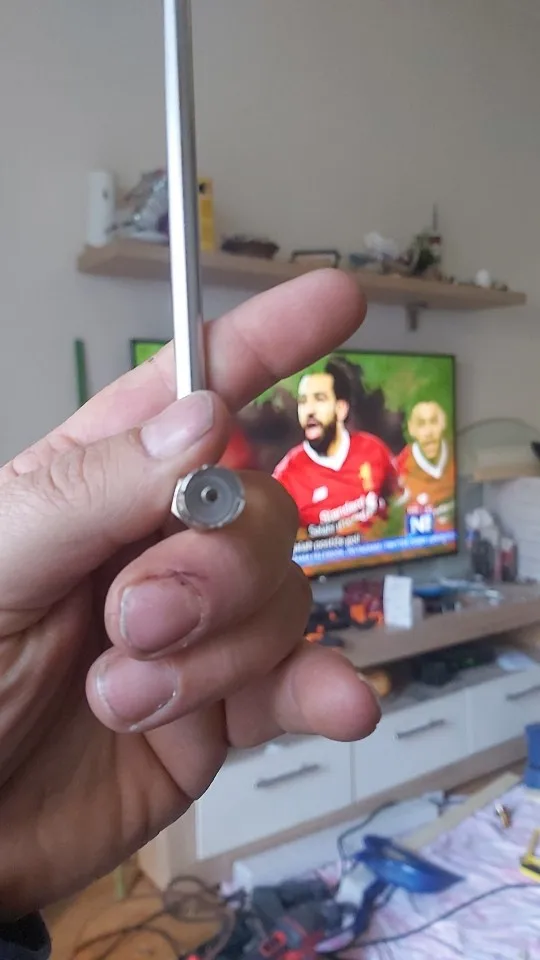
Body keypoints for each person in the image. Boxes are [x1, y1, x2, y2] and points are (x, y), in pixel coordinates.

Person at [0, 271, 381, 959]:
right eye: (305, 401)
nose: (311, 411)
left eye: (324, 399)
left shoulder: (374, 460)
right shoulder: (288, 467)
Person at [272, 357, 399, 535]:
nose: (309, 411)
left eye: (319, 399)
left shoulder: (373, 449)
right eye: (303, 401)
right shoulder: (286, 478)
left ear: (341, 409)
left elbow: (401, 502)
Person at [396, 398, 455, 529]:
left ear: (444, 422)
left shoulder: (461, 456)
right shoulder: (398, 469)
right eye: (421, 424)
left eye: (434, 421)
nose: (428, 432)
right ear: (411, 428)